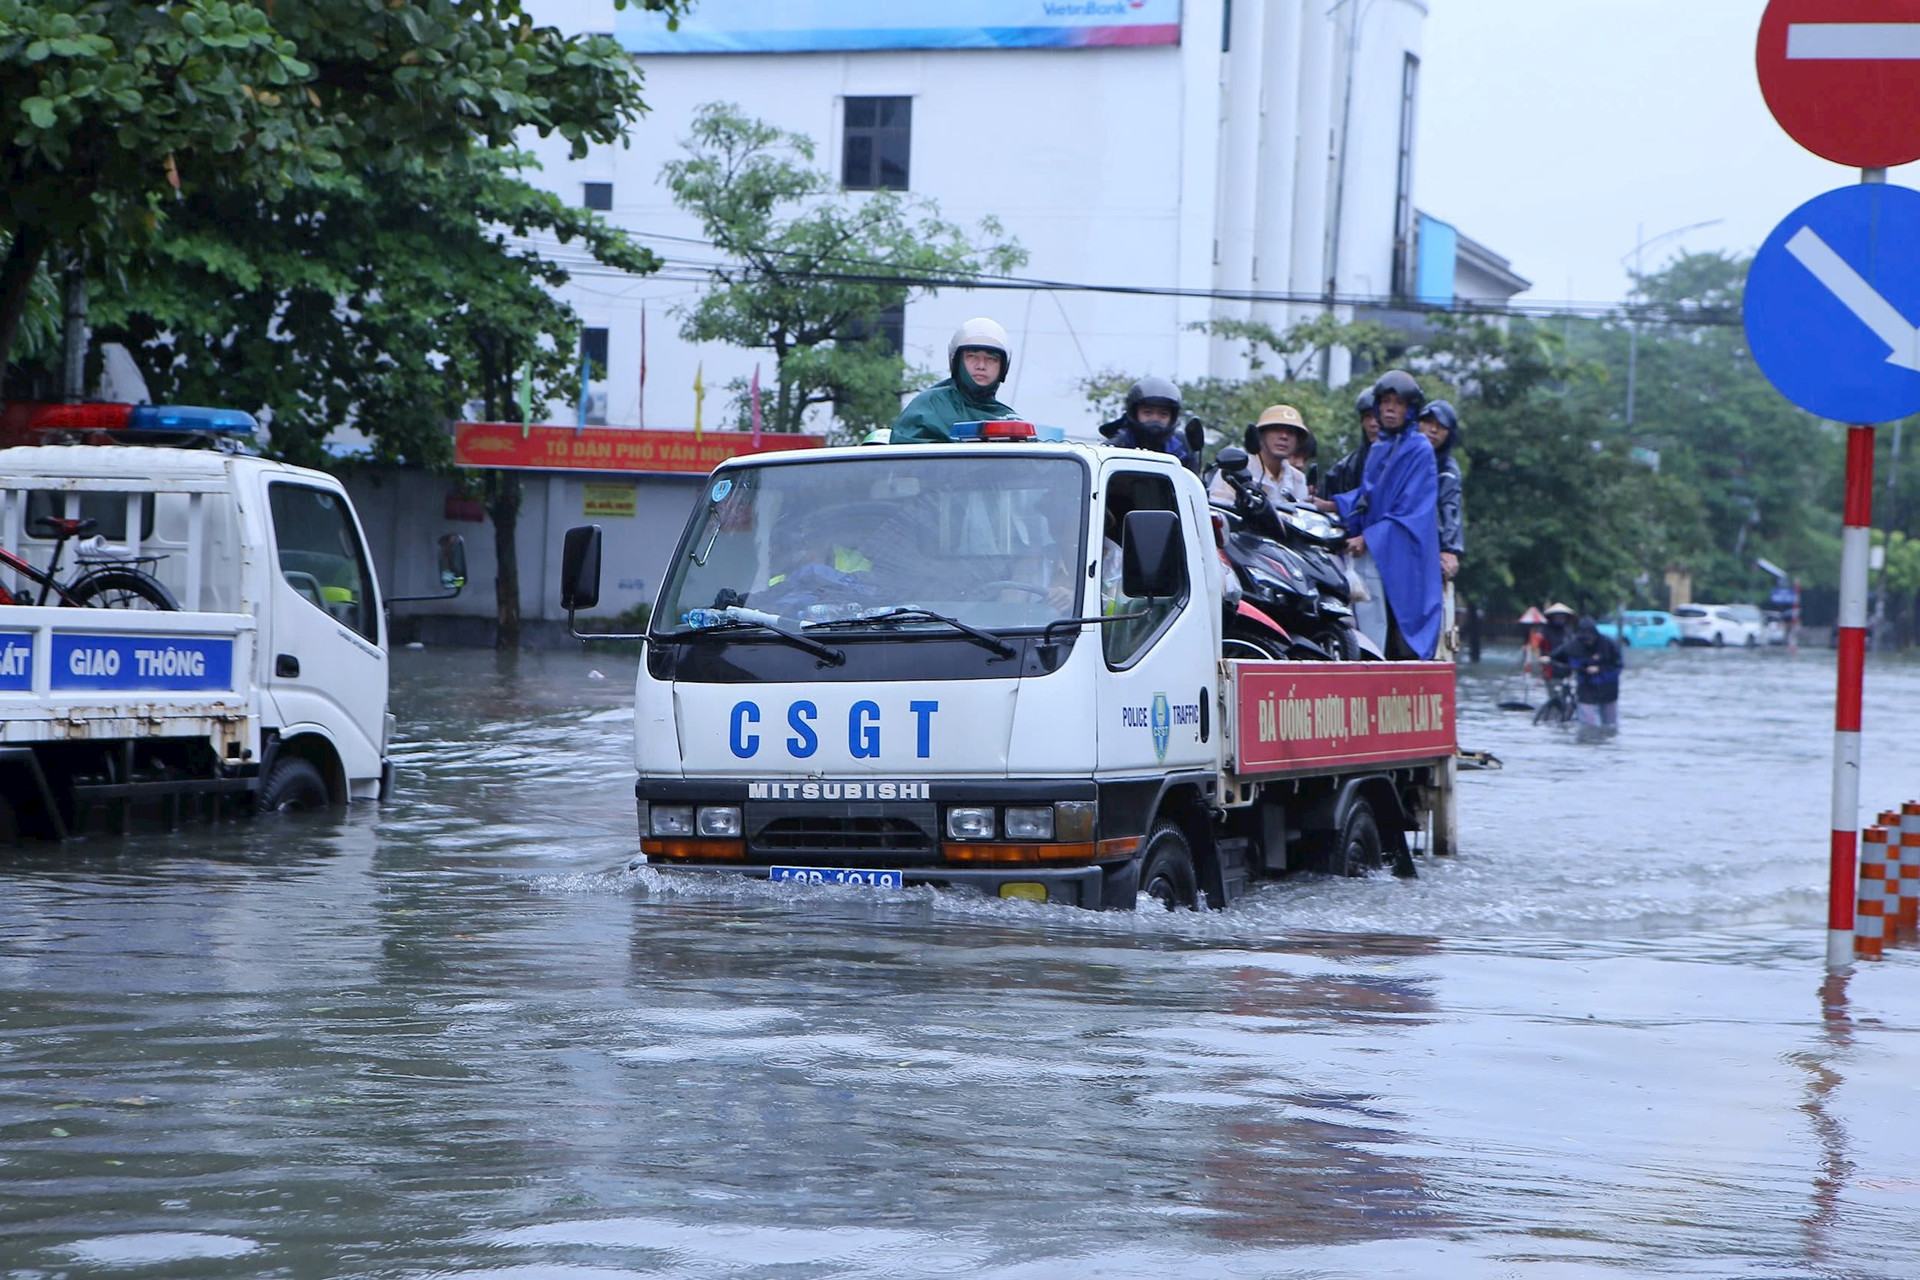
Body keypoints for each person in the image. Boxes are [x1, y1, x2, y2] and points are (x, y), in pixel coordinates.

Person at [1315, 370, 1441, 659]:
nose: (1389, 408)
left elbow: (1410, 511)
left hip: (1404, 552)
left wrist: (1368, 538)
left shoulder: (1420, 449)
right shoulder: (1380, 447)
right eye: (1385, 401)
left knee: (1402, 625)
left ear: (1410, 409)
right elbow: (1370, 495)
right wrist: (1331, 504)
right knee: (1371, 616)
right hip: (1377, 546)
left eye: (1398, 403)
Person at [891, 318, 1020, 444]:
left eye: (991, 359)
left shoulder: (1012, 423)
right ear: (957, 362)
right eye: (972, 357)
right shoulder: (930, 406)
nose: (981, 365)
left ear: (1003, 367)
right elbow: (906, 460)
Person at [1210, 403, 1308, 509]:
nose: (1284, 436)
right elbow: (1220, 510)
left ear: (1298, 441)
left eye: (1291, 432)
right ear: (1260, 435)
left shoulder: (1298, 479)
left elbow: (1301, 516)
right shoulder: (1234, 469)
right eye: (1276, 429)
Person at [1551, 616, 1624, 735]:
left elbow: (1618, 666)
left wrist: (1599, 669)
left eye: (1590, 639)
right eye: (1584, 640)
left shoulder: (1609, 645)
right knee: (1587, 725)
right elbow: (1557, 655)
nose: (1588, 642)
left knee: (1610, 726)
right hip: (1586, 688)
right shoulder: (1574, 645)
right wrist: (1547, 658)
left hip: (1608, 689)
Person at [1417, 400, 1464, 583]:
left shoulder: (1448, 470)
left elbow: (1450, 508)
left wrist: (1449, 549)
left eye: (1441, 426)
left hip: (1431, 550)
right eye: (1429, 423)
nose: (1433, 430)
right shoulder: (1402, 455)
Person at [1098, 375, 1190, 461]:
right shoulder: (1117, 446)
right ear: (1134, 413)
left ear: (1172, 417)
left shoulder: (1182, 449)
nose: (1155, 419)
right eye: (1147, 412)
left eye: (1163, 414)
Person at [1323, 389, 1379, 497]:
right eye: (1368, 416)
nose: (1373, 423)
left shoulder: (1408, 460)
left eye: (1377, 416)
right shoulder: (1344, 469)